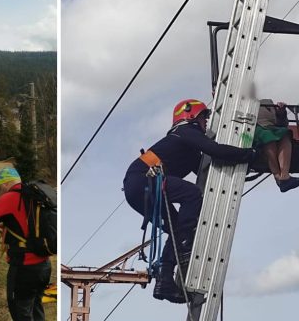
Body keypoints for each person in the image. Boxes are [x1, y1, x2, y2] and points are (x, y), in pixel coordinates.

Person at [123, 99, 257, 304]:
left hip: (139, 187)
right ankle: (185, 245)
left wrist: (239, 173)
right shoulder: (185, 132)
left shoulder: (186, 146)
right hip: (143, 180)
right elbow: (217, 150)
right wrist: (250, 155)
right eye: (205, 117)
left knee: (177, 229)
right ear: (192, 116)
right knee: (191, 194)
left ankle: (165, 280)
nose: (207, 122)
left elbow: (209, 168)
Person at [0, 168, 51, 321]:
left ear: (6, 184)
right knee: (36, 306)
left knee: (20, 311)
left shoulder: (10, 197)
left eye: (1, 186)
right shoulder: (35, 195)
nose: (0, 190)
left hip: (24, 266)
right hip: (44, 264)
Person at [254, 99, 299, 192]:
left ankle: (284, 175)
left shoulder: (267, 102)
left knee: (285, 134)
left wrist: (281, 112)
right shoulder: (241, 103)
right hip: (256, 129)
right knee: (268, 138)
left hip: (273, 128)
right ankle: (277, 176)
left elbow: (283, 124)